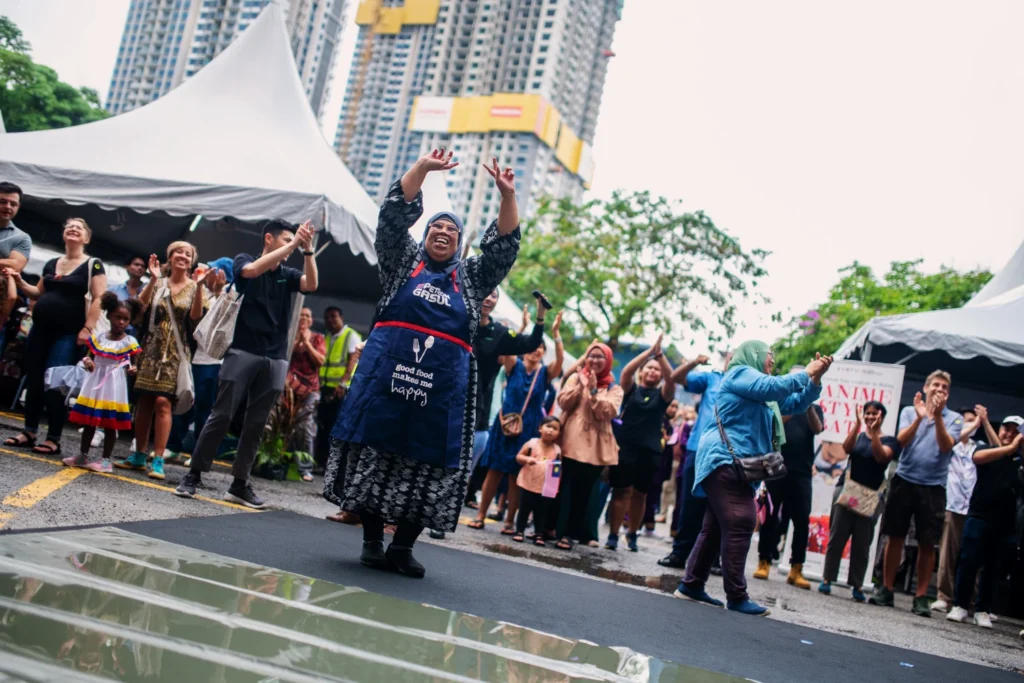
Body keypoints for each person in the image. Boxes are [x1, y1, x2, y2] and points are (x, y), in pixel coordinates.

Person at [324, 149, 521, 578]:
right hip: (385, 383)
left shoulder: (472, 278)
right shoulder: (402, 262)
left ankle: (403, 547)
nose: (443, 232)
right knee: (375, 457)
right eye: (437, 226)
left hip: (441, 394)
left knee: (427, 467)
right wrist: (424, 169)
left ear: (460, 243)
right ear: (426, 233)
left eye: (452, 229)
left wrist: (507, 196)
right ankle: (372, 540)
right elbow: (393, 217)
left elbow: (504, 249)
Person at [676, 342, 831, 616]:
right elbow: (771, 386)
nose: (773, 360)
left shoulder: (763, 391)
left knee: (715, 527)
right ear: (755, 355)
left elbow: (797, 402)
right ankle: (737, 596)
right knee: (742, 520)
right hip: (724, 460)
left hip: (738, 466)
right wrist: (806, 371)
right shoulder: (740, 374)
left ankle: (692, 584)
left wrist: (815, 379)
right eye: (770, 355)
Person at [175, 219, 318, 508]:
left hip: (276, 356)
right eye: (285, 240)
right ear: (268, 239)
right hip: (242, 350)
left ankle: (240, 484)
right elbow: (250, 272)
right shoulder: (244, 260)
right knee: (222, 415)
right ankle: (193, 475)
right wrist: (295, 243)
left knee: (257, 423)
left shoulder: (287, 274)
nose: (290, 246)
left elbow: (311, 284)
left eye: (292, 241)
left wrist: (307, 250)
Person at [4, 218, 105, 456]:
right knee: (34, 380)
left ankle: (53, 438)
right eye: (69, 226)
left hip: (68, 334)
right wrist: (19, 281)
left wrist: (87, 329)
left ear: (87, 238)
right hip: (39, 330)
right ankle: (29, 431)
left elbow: (99, 297)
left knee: (55, 384)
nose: (73, 229)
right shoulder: (52, 263)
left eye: (79, 227)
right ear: (63, 234)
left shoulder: (93, 264)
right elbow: (37, 292)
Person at [869, 370, 963, 616]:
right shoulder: (910, 411)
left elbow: (946, 446)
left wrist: (937, 416)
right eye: (936, 385)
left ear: (948, 393)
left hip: (934, 486)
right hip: (904, 479)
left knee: (927, 542)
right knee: (895, 536)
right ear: (926, 387)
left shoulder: (955, 419)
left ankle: (921, 597)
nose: (939, 389)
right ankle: (887, 589)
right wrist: (921, 417)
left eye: (944, 387)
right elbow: (900, 441)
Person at [118, 244, 209, 480]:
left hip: (176, 353)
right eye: (179, 252)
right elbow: (138, 308)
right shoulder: (158, 282)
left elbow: (196, 318)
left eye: (188, 254)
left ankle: (158, 458)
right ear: (169, 257)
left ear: (191, 261)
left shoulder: (195, 287)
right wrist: (152, 279)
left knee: (163, 402)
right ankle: (139, 455)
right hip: (150, 349)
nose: (183, 256)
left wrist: (200, 287)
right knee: (144, 401)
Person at [468, 313, 564, 531]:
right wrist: (521, 328)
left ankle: (510, 521)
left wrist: (556, 334)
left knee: (516, 476)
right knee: (494, 472)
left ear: (543, 352)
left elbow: (559, 362)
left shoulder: (545, 373)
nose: (536, 350)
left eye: (540, 348)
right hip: (504, 425)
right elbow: (506, 348)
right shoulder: (514, 365)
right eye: (533, 346)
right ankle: (480, 515)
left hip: (528, 429)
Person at [464, 290, 548, 509]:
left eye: (494, 295)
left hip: (473, 406)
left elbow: (530, 343)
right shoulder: (459, 319)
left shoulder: (499, 333)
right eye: (486, 293)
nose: (488, 298)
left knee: (462, 463)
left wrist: (540, 316)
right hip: (443, 398)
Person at [819, 401, 902, 601]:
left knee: (862, 543)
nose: (870, 417)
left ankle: (856, 585)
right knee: (837, 537)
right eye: (867, 413)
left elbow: (881, 457)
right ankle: (827, 578)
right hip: (847, 491)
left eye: (875, 414)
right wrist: (857, 425)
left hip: (870, 498)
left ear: (882, 417)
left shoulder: (890, 441)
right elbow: (847, 448)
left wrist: (874, 434)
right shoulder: (858, 436)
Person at [947, 416, 1023, 628]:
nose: (1009, 435)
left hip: (1005, 521)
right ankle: (960, 605)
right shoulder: (986, 449)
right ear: (999, 430)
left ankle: (982, 610)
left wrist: (1017, 449)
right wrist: (1009, 448)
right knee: (968, 561)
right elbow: (977, 458)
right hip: (979, 514)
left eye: (1015, 432)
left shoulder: (1019, 459)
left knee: (992, 567)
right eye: (1006, 430)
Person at [754, 364, 825, 588]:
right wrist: (795, 402)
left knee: (802, 520)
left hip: (802, 471)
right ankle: (764, 561)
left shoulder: (814, 406)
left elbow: (818, 428)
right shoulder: (779, 403)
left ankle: (796, 569)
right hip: (776, 468)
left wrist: (808, 403)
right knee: (770, 516)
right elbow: (776, 425)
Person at [659, 352, 729, 568]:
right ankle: (680, 553)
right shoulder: (712, 378)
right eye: (731, 356)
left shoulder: (750, 384)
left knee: (720, 507)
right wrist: (694, 362)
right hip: (698, 448)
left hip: (729, 454)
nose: (733, 359)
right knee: (690, 504)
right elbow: (676, 377)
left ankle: (713, 559)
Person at [606, 336, 675, 551]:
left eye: (657, 369)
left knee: (640, 494)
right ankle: (613, 535)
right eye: (649, 368)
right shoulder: (631, 390)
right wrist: (649, 353)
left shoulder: (663, 395)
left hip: (650, 451)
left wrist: (660, 356)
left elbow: (672, 379)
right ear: (642, 372)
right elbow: (626, 372)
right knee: (621, 491)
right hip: (626, 447)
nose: (653, 371)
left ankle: (632, 534)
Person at [554, 342, 623, 551]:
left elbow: (608, 412)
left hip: (595, 448)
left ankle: (572, 534)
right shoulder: (576, 378)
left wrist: (593, 390)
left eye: (600, 357)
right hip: (569, 441)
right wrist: (580, 386)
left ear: (608, 361)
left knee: (584, 491)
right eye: (591, 356)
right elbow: (563, 402)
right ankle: (554, 529)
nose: (595, 360)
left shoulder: (614, 388)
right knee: (562, 487)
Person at [62, 293, 142, 473]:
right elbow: (88, 356)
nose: (121, 322)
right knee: (89, 420)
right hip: (95, 379)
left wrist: (133, 369)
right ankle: (82, 455)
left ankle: (106, 460)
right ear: (109, 316)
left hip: (114, 382)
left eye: (125, 319)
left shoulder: (130, 342)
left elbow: (134, 363)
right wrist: (88, 362)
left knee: (110, 422)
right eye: (117, 317)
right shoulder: (99, 337)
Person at [932, 405, 998, 613]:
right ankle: (944, 597)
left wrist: (985, 422)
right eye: (966, 421)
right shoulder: (950, 445)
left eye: (973, 421)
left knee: (973, 556)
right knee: (948, 554)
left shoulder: (980, 447)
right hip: (953, 505)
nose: (971, 424)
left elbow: (1000, 450)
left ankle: (969, 601)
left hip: (975, 508)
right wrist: (972, 423)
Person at [317, 306, 361, 474]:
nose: (330, 320)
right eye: (327, 317)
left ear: (341, 317)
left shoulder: (350, 335)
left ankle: (331, 465)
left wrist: (342, 384)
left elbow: (352, 360)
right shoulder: (327, 337)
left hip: (340, 389)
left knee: (334, 426)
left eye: (333, 316)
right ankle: (321, 463)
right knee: (323, 425)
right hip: (325, 387)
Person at [286, 307, 325, 482]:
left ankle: (305, 468)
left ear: (311, 320)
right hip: (288, 387)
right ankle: (280, 461)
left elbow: (320, 361)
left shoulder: (317, 338)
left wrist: (307, 343)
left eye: (307, 315)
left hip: (310, 389)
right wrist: (297, 341)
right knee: (281, 424)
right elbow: (285, 355)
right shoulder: (289, 335)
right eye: (301, 314)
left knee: (305, 427)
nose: (303, 317)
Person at [513, 416, 563, 545]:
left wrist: (554, 486)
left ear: (559, 433)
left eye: (555, 428)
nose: (550, 430)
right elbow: (519, 456)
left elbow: (557, 469)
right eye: (548, 426)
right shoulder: (532, 444)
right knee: (524, 508)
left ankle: (539, 533)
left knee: (541, 511)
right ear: (540, 428)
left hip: (544, 487)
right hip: (528, 482)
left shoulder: (557, 450)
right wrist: (527, 459)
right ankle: (519, 531)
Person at [0, 182, 31, 323]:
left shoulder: (21, 237)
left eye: (13, 204)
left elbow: (15, 266)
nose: (8, 207)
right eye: (2, 201)